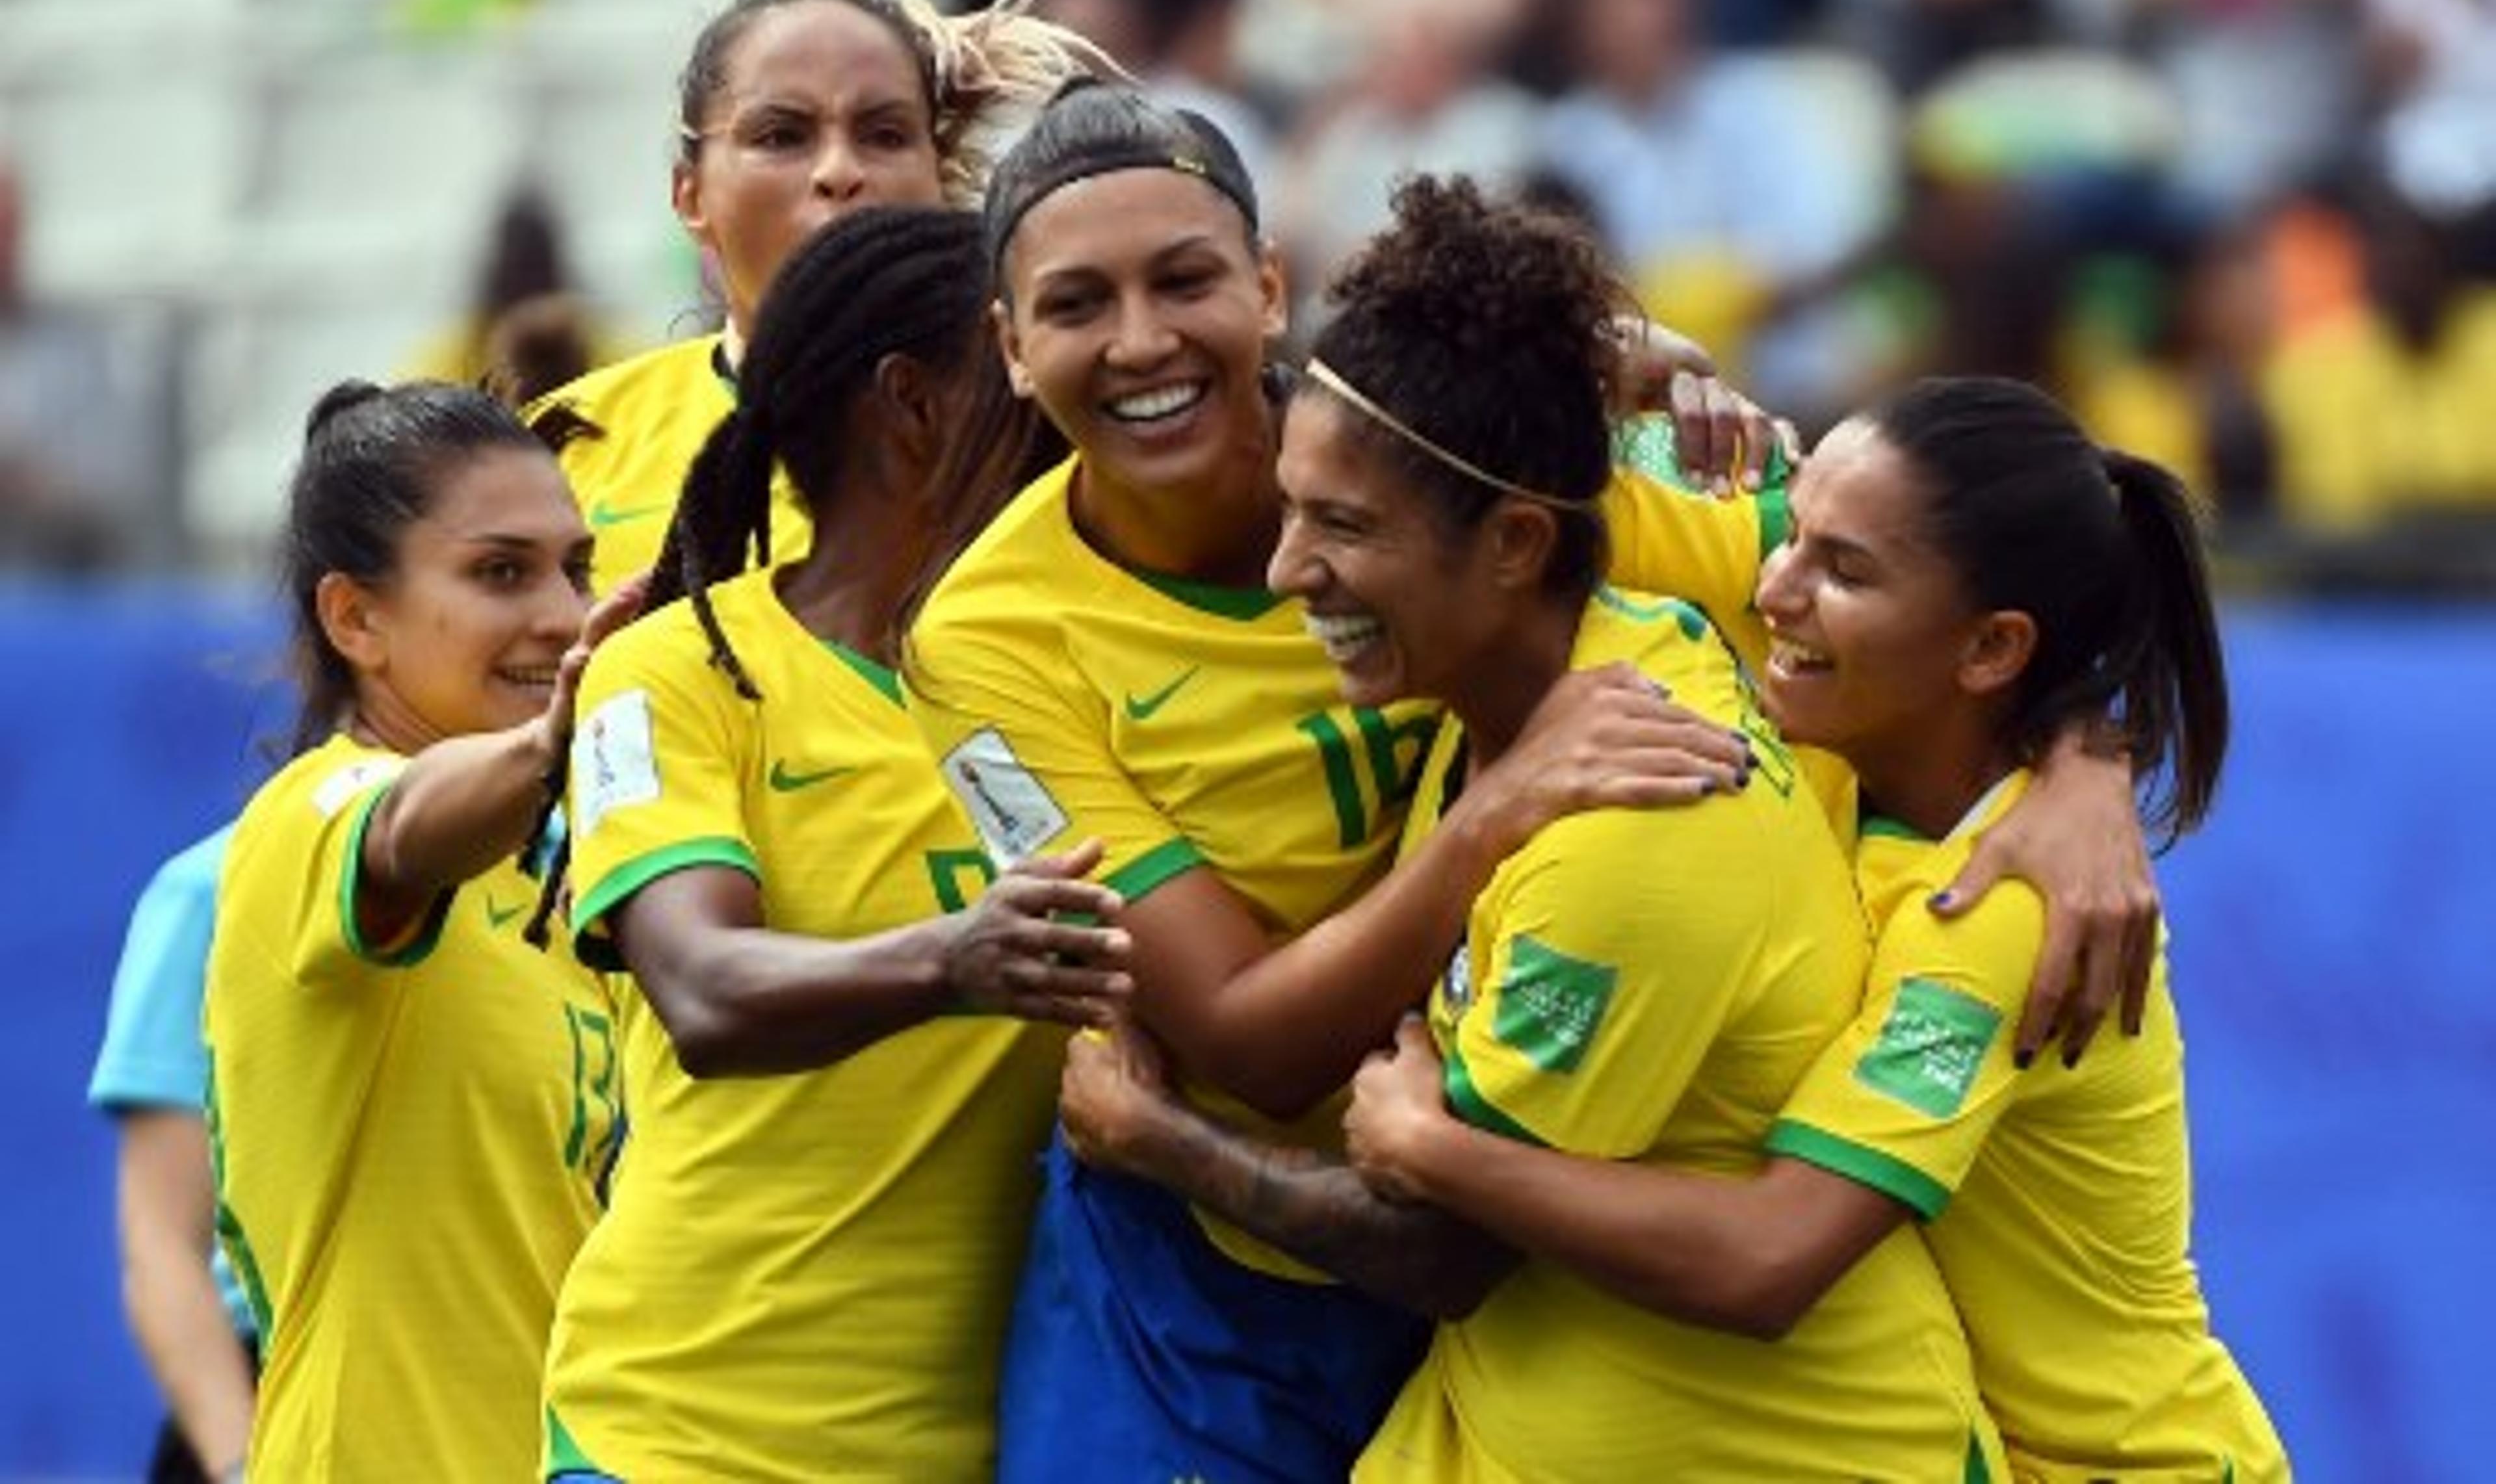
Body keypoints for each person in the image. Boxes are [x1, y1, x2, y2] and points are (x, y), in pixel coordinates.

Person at [905, 81, 2081, 1479]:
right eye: (1078, 304)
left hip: (1460, 1254)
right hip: (1202, 1274)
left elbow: (1989, 571)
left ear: (1268, 286)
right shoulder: (982, 644)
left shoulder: (1469, 466)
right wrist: (1485, 823)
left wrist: (2080, 767)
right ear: (1011, 347)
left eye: (1186, 280)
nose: (1142, 340)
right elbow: (1242, 1036)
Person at [1343, 374, 2289, 1479]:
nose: (1772, 587)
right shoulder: (1846, 727)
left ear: (1989, 651)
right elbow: (1480, 475)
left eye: (1842, 569)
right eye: (1794, 540)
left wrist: (1431, 1148)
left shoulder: (1997, 907)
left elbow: (1767, 1258)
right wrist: (1651, 360)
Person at [540, 206, 1131, 1480]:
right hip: (681, 1439)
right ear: (913, 405)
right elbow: (702, 988)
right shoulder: (675, 672)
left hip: (980, 1448)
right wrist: (954, 962)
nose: (1061, 403)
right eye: (1018, 369)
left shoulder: (1058, 683)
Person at [204, 381, 630, 1480]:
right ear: (355, 618)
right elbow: (398, 834)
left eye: (575, 569)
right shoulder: (311, 817)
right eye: (501, 572)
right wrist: (558, 738)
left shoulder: (557, 879)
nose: (561, 613)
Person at [527, 0, 1111, 595]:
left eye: (884, 134)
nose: (839, 171)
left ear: (938, 176)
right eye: (782, 136)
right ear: (690, 196)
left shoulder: (1052, 429)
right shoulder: (560, 448)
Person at [88, 826, 255, 1484]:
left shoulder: (571, 870)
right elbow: (161, 1244)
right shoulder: (213, 888)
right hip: (277, 1401)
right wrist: (242, 1465)